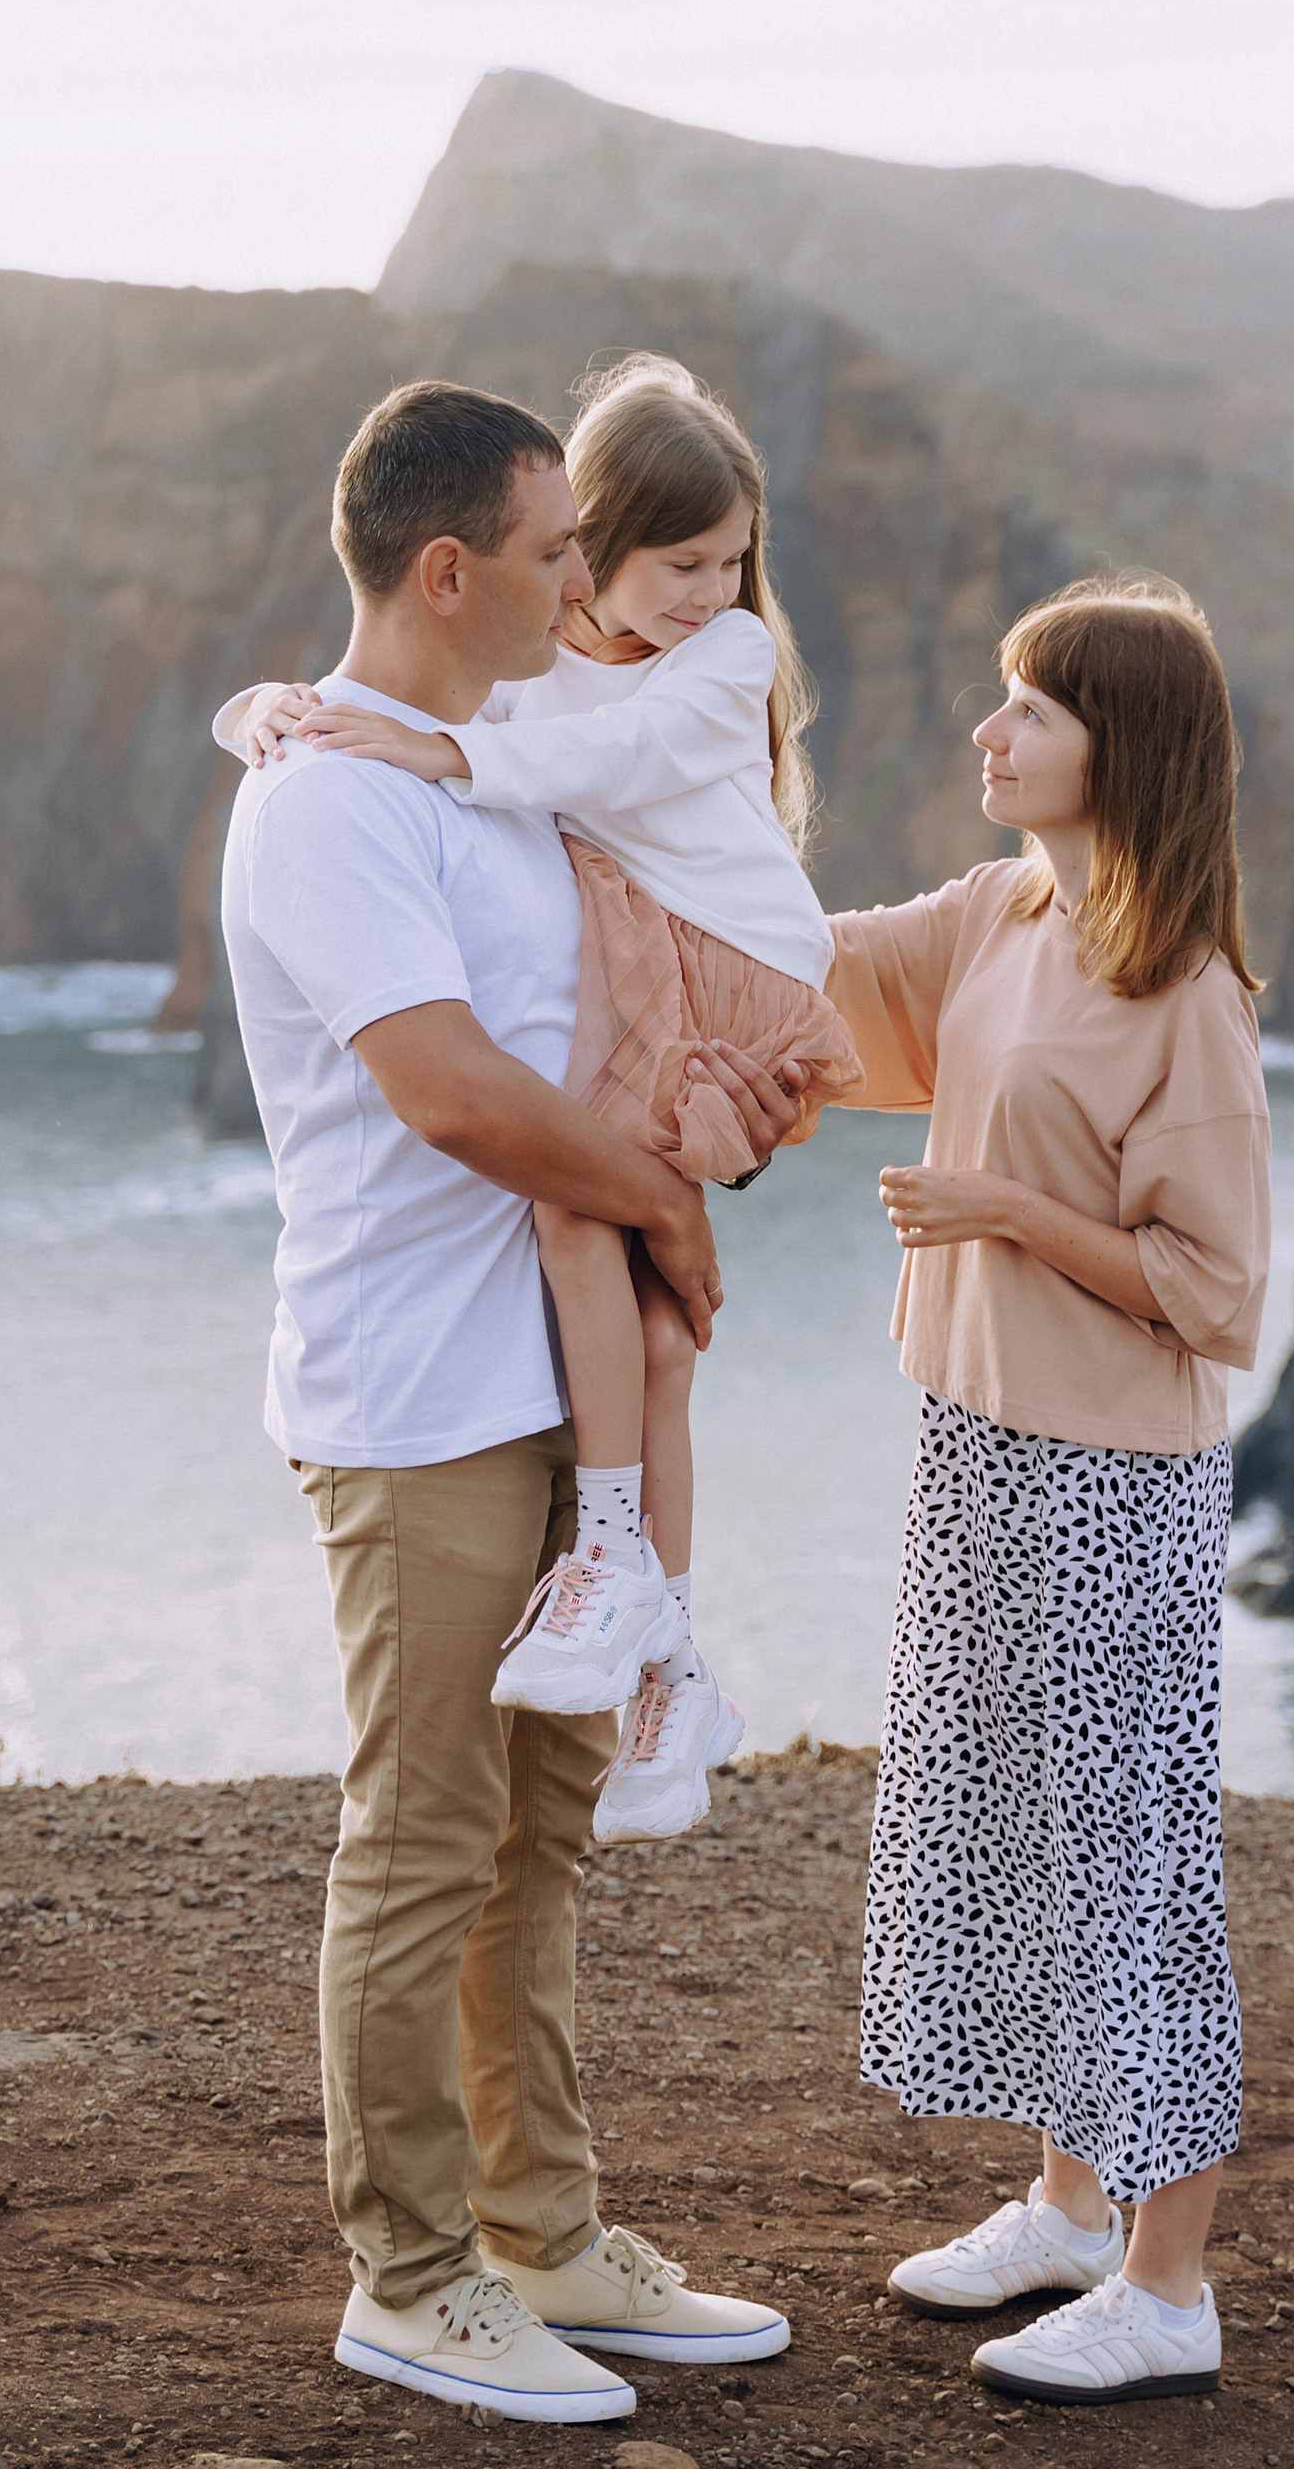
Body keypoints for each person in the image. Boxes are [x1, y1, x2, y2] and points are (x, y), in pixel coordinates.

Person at [219, 376, 795, 2420]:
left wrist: (698, 1146)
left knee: (543, 1831)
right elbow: (455, 1091)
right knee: (428, 1830)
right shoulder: (322, 803)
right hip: (417, 1396)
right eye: (559, 551)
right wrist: (661, 1207)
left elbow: (625, 1006)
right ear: (450, 566)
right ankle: (410, 2270)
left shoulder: (490, 774)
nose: (587, 580)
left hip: (566, 1378)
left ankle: (546, 2232)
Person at [218, 356, 861, 1843]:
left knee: (607, 1246)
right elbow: (456, 1064)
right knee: (640, 1306)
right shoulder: (517, 691)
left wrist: (435, 746)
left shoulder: (714, 664)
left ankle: (640, 1587)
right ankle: (669, 1642)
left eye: (732, 563)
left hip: (720, 984)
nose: (714, 590)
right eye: (658, 559)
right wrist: (266, 710)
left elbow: (595, 757)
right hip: (437, 1360)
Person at [822, 578, 1271, 2408]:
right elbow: (813, 960)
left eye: (1030, 710)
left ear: (1123, 751)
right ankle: (1071, 2205)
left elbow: (1216, 1293)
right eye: (1000, 698)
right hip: (978, 1441)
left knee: (1127, 1865)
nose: (988, 735)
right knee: (1015, 1832)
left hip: (1110, 1484)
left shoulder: (1186, 994)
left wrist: (1007, 1214)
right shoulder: (1005, 910)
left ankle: (1169, 2286)